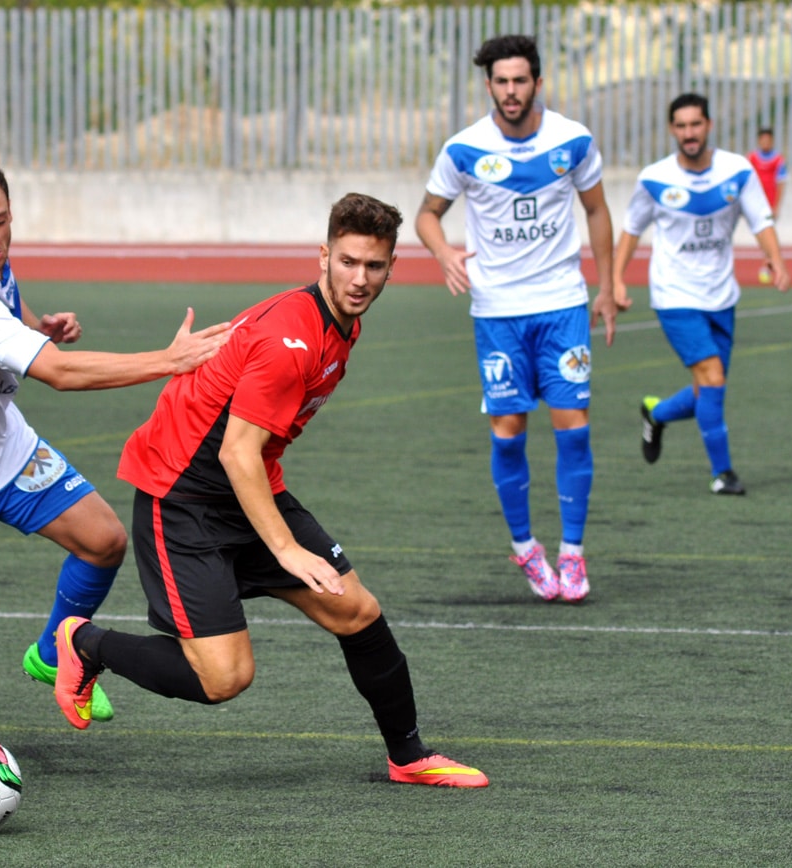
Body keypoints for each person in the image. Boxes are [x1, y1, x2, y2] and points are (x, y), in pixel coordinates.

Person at [52, 193, 489, 788]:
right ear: (323, 257)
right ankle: (86, 643)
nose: (360, 279)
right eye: (348, 262)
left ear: (391, 266)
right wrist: (286, 550)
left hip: (248, 486)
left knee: (356, 610)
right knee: (225, 678)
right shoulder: (293, 339)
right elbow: (236, 451)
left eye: (374, 266)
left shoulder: (342, 322)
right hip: (180, 497)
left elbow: (249, 456)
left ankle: (408, 757)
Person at [0, 158, 231, 753]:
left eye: (0, 221)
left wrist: (39, 325)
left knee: (104, 540)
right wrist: (170, 361)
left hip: (3, 447)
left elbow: (8, 306)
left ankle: (53, 652)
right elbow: (56, 374)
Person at [414, 34, 617, 604]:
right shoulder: (463, 150)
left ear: (538, 82)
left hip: (562, 305)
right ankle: (527, 548)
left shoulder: (572, 141)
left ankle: (573, 554)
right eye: (500, 82)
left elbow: (597, 209)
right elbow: (428, 215)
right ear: (489, 86)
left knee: (573, 424)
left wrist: (610, 284)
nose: (510, 91)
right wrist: (444, 252)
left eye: (520, 80)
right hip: (498, 313)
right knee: (509, 431)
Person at [613, 93, 790, 495]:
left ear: (708, 126)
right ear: (672, 130)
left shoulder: (737, 171)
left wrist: (776, 260)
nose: (689, 133)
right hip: (674, 296)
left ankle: (656, 413)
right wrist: (617, 280)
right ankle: (723, 473)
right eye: (681, 126)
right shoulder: (655, 178)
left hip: (721, 295)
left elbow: (761, 220)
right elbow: (631, 230)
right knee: (711, 377)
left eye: (696, 124)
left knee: (708, 388)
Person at [747, 127, 788, 284]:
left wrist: (776, 205)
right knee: (759, 234)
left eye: (768, 140)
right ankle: (768, 261)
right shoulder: (751, 158)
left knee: (768, 233)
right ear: (759, 141)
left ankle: (767, 263)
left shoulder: (778, 160)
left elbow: (781, 183)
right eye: (762, 140)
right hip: (753, 202)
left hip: (769, 204)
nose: (765, 142)